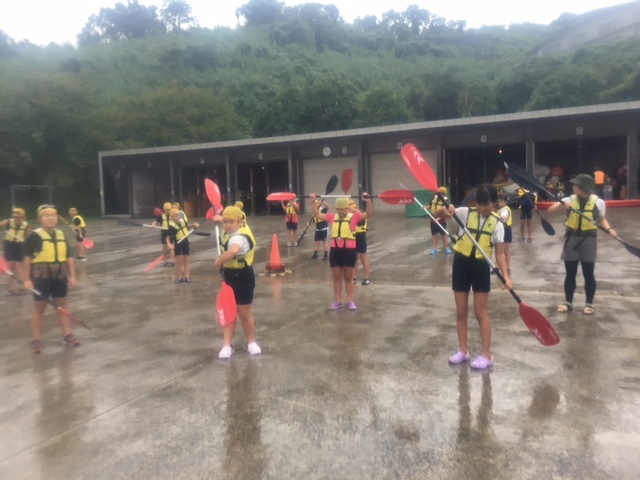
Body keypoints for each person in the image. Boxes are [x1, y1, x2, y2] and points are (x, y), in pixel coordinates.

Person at [434, 184, 511, 369]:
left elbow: (500, 254)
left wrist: (506, 276)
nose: (483, 208)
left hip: (481, 267)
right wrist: (445, 210)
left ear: (495, 203)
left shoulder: (498, 224)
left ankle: (486, 355)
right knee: (461, 311)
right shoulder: (465, 213)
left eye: (487, 204)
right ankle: (463, 351)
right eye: (480, 203)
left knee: (480, 312)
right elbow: (436, 214)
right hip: (461, 264)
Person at [547, 174, 617, 315]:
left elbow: (602, 219)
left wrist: (609, 229)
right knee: (570, 273)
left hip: (588, 240)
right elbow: (550, 210)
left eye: (576, 185)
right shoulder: (569, 200)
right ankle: (568, 302)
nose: (573, 187)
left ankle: (589, 303)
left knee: (588, 273)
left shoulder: (598, 202)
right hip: (571, 239)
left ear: (584, 187)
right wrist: (561, 204)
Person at [22, 205, 78, 354]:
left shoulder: (61, 234)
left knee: (62, 306)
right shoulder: (33, 236)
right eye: (47, 215)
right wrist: (27, 279)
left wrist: (73, 275)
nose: (51, 218)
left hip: (59, 276)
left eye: (53, 215)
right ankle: (36, 340)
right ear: (40, 219)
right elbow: (26, 258)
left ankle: (68, 335)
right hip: (41, 277)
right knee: (39, 308)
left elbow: (69, 257)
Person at [214, 206, 261, 359]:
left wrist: (218, 261)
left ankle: (251, 342)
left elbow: (233, 251)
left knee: (244, 313)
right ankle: (227, 345)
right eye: (225, 222)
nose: (227, 225)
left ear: (240, 222)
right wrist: (218, 218)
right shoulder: (230, 229)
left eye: (231, 222)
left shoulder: (240, 237)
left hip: (243, 276)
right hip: (228, 276)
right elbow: (227, 219)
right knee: (229, 312)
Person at [310, 194, 364, 310]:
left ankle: (350, 301)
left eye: (342, 209)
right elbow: (317, 214)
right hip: (335, 250)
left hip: (349, 250)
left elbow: (367, 214)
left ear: (346, 208)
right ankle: (337, 301)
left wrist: (367, 202)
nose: (339, 211)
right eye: (338, 209)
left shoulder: (353, 217)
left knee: (348, 277)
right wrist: (313, 202)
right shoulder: (332, 217)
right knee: (336, 277)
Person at [1, 208, 31, 295]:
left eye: (19, 217)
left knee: (18, 266)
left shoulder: (27, 225)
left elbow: (29, 238)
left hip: (19, 246)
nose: (17, 219)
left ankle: (24, 287)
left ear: (23, 218)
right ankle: (10, 288)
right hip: (8, 246)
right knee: (9, 266)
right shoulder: (9, 222)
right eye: (15, 217)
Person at [166, 209, 199, 284]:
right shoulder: (171, 227)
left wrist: (193, 225)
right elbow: (167, 238)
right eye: (175, 216)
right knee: (179, 261)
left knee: (187, 260)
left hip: (185, 242)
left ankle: (187, 277)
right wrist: (169, 244)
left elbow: (186, 226)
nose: (178, 217)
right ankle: (180, 277)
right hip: (178, 244)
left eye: (178, 215)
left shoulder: (182, 221)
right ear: (172, 217)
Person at [350, 196, 373, 285]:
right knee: (354, 259)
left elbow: (359, 213)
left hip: (361, 237)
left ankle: (366, 279)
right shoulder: (350, 216)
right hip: (353, 238)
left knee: (363, 259)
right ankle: (353, 278)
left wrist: (350, 208)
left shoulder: (360, 215)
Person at [428, 187, 452, 255]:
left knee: (443, 234)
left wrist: (438, 219)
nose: (443, 195)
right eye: (441, 194)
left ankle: (446, 248)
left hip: (442, 219)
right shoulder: (434, 198)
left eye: (444, 194)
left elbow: (445, 211)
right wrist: (425, 207)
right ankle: (434, 249)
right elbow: (430, 205)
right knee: (434, 234)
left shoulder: (445, 201)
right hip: (433, 218)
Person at [151, 202, 174, 267]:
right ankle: (165, 261)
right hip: (164, 233)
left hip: (171, 233)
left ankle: (172, 261)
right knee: (164, 248)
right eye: (166, 210)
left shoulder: (173, 215)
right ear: (164, 209)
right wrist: (153, 224)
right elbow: (155, 221)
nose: (168, 211)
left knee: (171, 247)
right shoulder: (161, 216)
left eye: (169, 210)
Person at [496, 192, 512, 275]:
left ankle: (508, 267)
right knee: (498, 250)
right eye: (498, 201)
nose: (499, 203)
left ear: (505, 202)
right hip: (500, 230)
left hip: (506, 230)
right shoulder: (499, 210)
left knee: (506, 251)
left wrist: (496, 217)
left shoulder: (505, 209)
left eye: (500, 201)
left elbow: (503, 217)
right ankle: (497, 267)